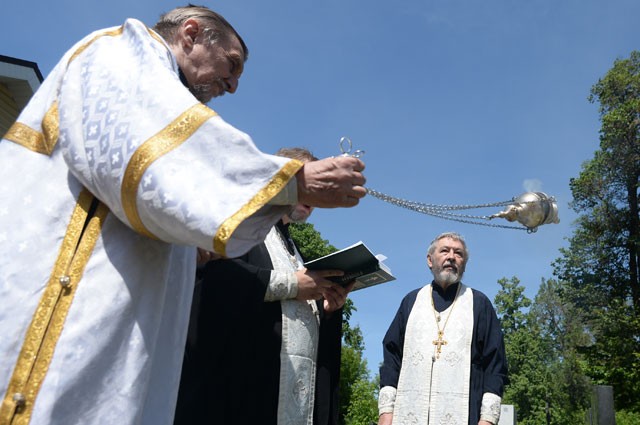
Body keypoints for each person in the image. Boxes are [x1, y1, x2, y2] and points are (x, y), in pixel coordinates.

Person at [0, 6, 366, 425]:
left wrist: (190, 253)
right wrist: (290, 181)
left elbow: (152, 199)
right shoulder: (119, 51)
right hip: (59, 297)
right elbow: (145, 156)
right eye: (231, 66)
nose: (231, 86)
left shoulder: (158, 91)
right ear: (191, 34)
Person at [174, 147, 352, 425]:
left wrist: (327, 308)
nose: (313, 197)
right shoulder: (241, 224)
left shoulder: (294, 251)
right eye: (307, 183)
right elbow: (213, 277)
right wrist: (292, 283)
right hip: (245, 392)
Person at [378, 232, 508, 425]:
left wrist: (488, 420)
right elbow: (392, 357)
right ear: (430, 260)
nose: (451, 257)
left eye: (458, 253)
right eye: (444, 251)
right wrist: (386, 412)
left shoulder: (479, 304)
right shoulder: (411, 302)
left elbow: (495, 365)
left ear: (464, 263)